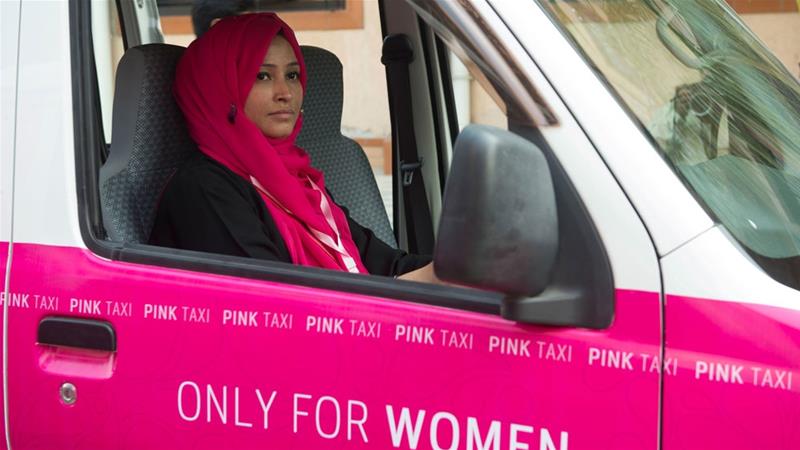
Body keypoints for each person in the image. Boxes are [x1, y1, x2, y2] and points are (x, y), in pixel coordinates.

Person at [149, 13, 438, 282]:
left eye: (292, 75)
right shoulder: (203, 191)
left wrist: (458, 272)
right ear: (220, 89)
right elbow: (279, 307)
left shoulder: (299, 178)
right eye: (262, 75)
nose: (285, 93)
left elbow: (386, 266)